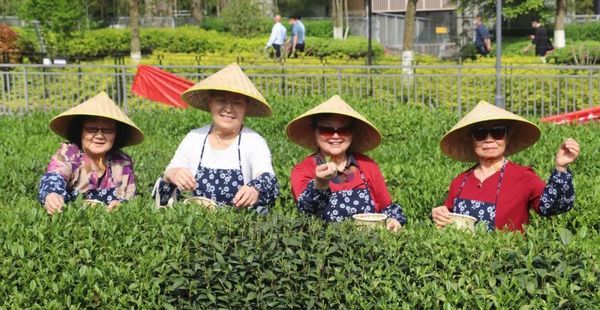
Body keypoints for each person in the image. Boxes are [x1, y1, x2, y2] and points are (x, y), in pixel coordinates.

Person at [432, 101, 580, 232]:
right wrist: (440, 214)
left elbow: (552, 207)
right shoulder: (459, 182)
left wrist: (561, 168)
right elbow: (448, 222)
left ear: (507, 137)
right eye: (480, 133)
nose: (489, 140)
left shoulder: (524, 177)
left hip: (506, 261)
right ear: (471, 141)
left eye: (498, 132)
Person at [154, 63, 279, 213]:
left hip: (240, 227)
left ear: (246, 108)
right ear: (210, 103)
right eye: (221, 100)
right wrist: (171, 175)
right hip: (195, 225)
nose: (228, 109)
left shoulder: (253, 141)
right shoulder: (194, 138)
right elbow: (159, 193)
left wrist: (255, 189)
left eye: (237, 102)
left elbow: (268, 179)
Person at [287, 95, 407, 231]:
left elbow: (386, 208)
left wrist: (392, 220)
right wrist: (320, 184)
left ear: (353, 132)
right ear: (315, 131)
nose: (336, 136)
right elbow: (307, 210)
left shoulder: (367, 166)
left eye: (344, 130)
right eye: (327, 130)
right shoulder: (303, 170)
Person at [38, 91, 144, 214]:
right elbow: (54, 176)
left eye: (108, 130)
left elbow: (131, 197)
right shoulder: (70, 153)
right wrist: (52, 195)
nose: (99, 135)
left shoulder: (122, 162)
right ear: (80, 131)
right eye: (91, 129)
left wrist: (121, 205)